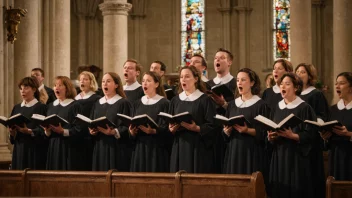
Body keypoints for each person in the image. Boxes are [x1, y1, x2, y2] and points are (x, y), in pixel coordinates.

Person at [267, 73, 316, 198]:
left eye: (287, 84)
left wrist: (293, 136)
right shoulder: (276, 107)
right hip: (278, 155)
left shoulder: (305, 108)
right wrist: (270, 137)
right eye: (281, 84)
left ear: (296, 88)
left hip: (296, 158)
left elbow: (312, 134)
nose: (283, 86)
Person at [169, 66, 218, 173]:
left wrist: (197, 128)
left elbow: (213, 126)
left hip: (198, 148)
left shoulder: (205, 100)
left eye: (187, 76)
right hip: (179, 146)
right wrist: (171, 129)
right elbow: (170, 120)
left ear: (196, 79)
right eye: (181, 77)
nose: (183, 79)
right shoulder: (175, 100)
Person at [222, 68, 269, 176]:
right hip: (234, 150)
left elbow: (264, 133)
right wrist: (226, 131)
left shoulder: (261, 105)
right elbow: (225, 130)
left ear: (252, 83)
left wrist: (247, 130)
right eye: (238, 80)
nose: (239, 83)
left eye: (243, 80)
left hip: (252, 152)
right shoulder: (232, 105)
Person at [295, 63, 329, 198]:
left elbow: (322, 114)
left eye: (302, 72)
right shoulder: (293, 94)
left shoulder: (316, 94)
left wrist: (316, 122)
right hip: (296, 138)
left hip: (312, 139)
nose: (299, 74)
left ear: (309, 76)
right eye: (297, 71)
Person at [129, 71, 171, 172]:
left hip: (157, 150)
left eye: (148, 81)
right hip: (139, 148)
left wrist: (154, 131)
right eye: (143, 81)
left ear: (156, 84)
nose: (144, 83)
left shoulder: (164, 103)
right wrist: (131, 132)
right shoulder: (137, 103)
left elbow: (168, 129)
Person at [90, 72, 132, 171]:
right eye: (103, 81)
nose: (105, 84)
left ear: (116, 85)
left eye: (108, 81)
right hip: (100, 145)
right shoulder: (97, 103)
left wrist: (114, 132)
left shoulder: (123, 103)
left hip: (116, 147)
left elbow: (128, 126)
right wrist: (92, 131)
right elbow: (92, 121)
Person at [9, 77, 47, 170]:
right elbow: (12, 130)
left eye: (26, 88)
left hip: (34, 149)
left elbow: (44, 130)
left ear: (34, 89)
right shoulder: (17, 107)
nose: (22, 91)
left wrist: (30, 131)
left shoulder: (41, 107)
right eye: (21, 88)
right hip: (19, 148)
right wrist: (12, 133)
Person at [44, 76, 82, 170]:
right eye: (55, 85)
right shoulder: (51, 106)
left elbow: (79, 128)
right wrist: (47, 131)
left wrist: (63, 131)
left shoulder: (75, 106)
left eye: (60, 85)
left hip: (68, 147)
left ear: (67, 88)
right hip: (53, 146)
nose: (56, 87)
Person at [321, 72, 352, 181]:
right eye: (336, 83)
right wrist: (325, 137)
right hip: (335, 157)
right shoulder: (332, 109)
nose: (337, 86)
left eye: (342, 83)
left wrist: (348, 134)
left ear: (350, 87)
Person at [74, 71, 101, 170]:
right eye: (80, 80)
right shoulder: (75, 98)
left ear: (91, 82)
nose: (82, 82)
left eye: (85, 79)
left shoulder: (96, 98)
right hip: (76, 134)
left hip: (89, 134)